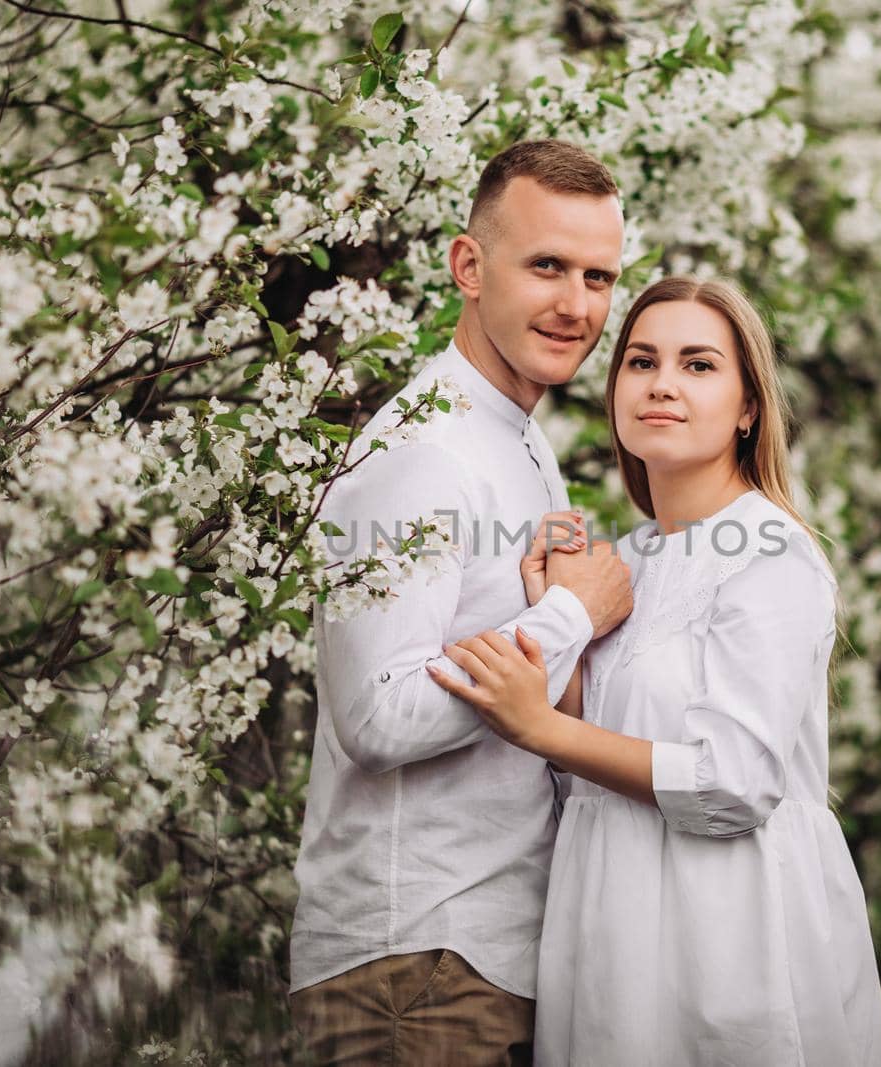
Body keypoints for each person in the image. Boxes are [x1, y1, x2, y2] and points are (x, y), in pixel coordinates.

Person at [428, 276, 881, 1065]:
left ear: (749, 407)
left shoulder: (771, 551)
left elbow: (733, 782)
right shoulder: (626, 561)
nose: (663, 384)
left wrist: (538, 722)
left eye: (699, 364)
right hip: (609, 921)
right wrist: (558, 630)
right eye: (641, 361)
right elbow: (592, 767)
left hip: (729, 927)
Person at [286, 140, 636, 1065]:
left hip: (489, 958)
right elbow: (376, 715)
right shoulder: (421, 450)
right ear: (468, 266)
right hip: (412, 967)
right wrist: (569, 617)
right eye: (548, 266)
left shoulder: (523, 443)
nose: (577, 305)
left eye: (599, 276)